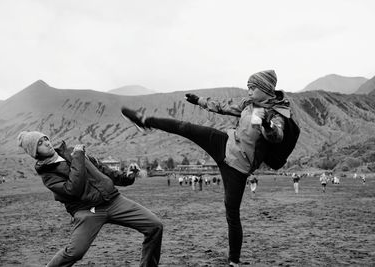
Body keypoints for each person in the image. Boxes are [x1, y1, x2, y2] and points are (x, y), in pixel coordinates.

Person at [121, 70, 291, 267]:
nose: (249, 90)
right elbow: (223, 106)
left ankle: (234, 261)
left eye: (252, 87)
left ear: (265, 89)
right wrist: (199, 101)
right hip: (224, 143)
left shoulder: (276, 114)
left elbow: (277, 135)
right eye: (248, 87)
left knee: (232, 213)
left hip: (238, 167)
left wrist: (266, 125)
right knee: (186, 127)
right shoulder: (247, 104)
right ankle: (144, 121)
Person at [17, 131, 163, 267]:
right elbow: (74, 189)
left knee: (155, 226)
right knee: (75, 252)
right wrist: (78, 157)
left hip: (113, 200)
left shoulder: (71, 151)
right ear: (35, 152)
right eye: (40, 143)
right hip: (87, 211)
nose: (47, 143)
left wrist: (128, 176)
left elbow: (102, 169)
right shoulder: (49, 175)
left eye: (45, 139)